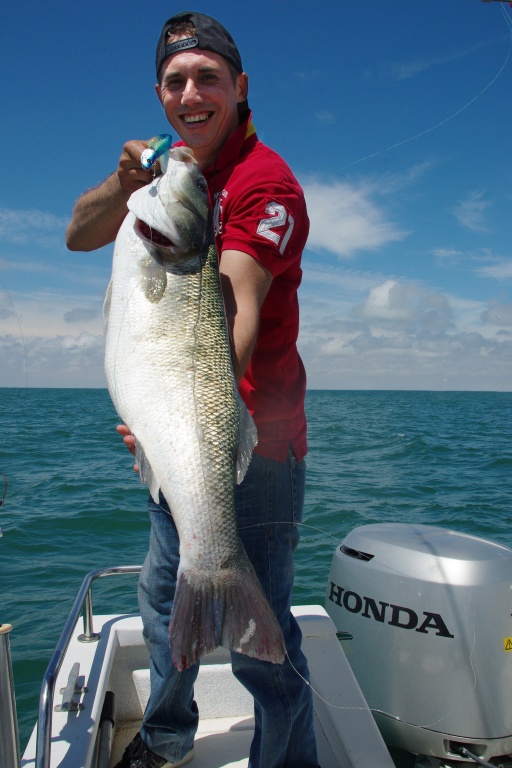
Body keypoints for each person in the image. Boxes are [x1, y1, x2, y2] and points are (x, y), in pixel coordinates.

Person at [67, 11, 319, 768]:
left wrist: (182, 407)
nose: (191, 93)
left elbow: (234, 308)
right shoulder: (165, 175)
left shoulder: (265, 182)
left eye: (208, 77)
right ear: (160, 94)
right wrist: (122, 182)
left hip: (258, 444)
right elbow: (79, 234)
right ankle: (167, 737)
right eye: (176, 81)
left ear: (240, 88)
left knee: (262, 641)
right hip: (173, 436)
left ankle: (290, 761)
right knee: (161, 597)